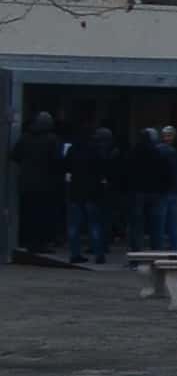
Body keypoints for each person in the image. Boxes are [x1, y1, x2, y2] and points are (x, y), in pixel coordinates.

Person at [65, 120, 118, 265]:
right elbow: (103, 168)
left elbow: (65, 167)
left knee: (74, 225)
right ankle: (99, 254)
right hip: (93, 191)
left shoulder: (73, 149)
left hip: (76, 189)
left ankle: (75, 254)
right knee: (94, 224)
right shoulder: (96, 149)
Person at [13, 109, 60, 260]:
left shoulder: (25, 137)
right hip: (45, 184)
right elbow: (56, 161)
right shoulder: (52, 139)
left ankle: (28, 242)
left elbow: (14, 156)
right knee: (43, 215)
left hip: (26, 183)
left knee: (28, 214)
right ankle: (41, 244)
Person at [133, 124, 177, 253]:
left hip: (164, 191)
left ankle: (158, 251)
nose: (167, 138)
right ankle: (174, 251)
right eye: (165, 135)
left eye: (169, 135)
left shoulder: (159, 150)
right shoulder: (173, 151)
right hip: (172, 190)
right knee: (171, 223)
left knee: (160, 223)